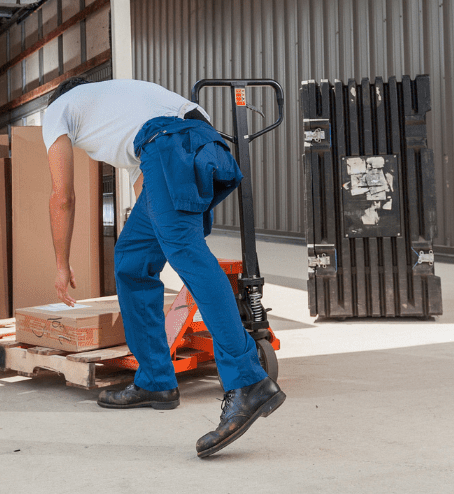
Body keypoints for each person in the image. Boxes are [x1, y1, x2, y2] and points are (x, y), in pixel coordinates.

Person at [41, 78, 285, 458]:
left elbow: (63, 196)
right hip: (200, 144)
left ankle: (248, 380)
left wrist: (60, 265)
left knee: (189, 254)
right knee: (133, 261)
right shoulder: (119, 100)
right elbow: (147, 188)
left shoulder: (59, 108)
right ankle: (155, 379)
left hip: (170, 146)